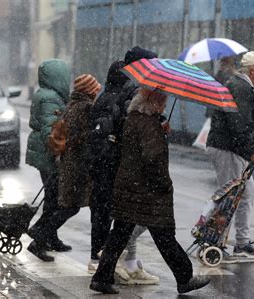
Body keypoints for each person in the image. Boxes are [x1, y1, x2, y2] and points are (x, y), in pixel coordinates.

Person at [90, 88, 210, 295]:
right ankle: (184, 278)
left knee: (120, 233)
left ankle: (101, 277)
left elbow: (137, 148)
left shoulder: (134, 119)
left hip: (129, 187)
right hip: (147, 191)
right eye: (162, 102)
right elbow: (152, 159)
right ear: (152, 103)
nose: (164, 106)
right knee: (164, 235)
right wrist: (165, 184)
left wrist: (159, 131)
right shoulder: (148, 124)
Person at [88, 47, 160, 285]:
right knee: (137, 216)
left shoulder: (117, 91)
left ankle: (116, 265)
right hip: (121, 165)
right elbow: (130, 130)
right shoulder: (132, 92)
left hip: (112, 164)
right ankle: (108, 259)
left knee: (122, 216)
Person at [206, 51, 254, 260]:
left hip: (231, 147)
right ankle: (213, 241)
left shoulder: (240, 85)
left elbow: (240, 124)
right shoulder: (240, 87)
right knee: (229, 197)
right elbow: (239, 124)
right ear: (252, 70)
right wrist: (252, 150)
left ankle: (241, 243)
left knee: (245, 193)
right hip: (227, 148)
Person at [25, 59, 73, 262]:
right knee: (54, 200)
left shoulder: (46, 94)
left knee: (52, 196)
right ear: (58, 76)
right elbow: (50, 130)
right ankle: (39, 238)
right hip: (48, 156)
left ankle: (50, 237)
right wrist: (57, 155)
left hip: (43, 153)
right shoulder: (51, 98)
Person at [58, 74, 101, 218]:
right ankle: (43, 232)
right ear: (89, 91)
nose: (97, 93)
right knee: (72, 205)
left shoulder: (73, 104)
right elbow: (80, 135)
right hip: (78, 161)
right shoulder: (86, 107)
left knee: (69, 204)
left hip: (69, 160)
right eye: (95, 90)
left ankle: (43, 232)